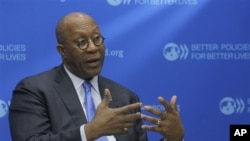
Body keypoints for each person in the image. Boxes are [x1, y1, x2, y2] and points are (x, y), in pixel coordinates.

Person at [9, 12, 184, 141]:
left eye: (97, 39)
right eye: (82, 42)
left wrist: (173, 138)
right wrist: (89, 132)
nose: (93, 48)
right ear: (63, 51)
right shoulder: (34, 90)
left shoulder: (125, 97)